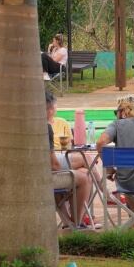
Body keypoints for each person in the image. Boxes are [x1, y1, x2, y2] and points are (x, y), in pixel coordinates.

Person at [46, 91, 91, 227]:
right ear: (49, 110)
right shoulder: (45, 127)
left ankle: (69, 222)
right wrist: (67, 170)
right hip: (44, 175)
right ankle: (77, 223)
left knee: (82, 171)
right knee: (84, 177)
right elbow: (53, 165)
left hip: (33, 171)